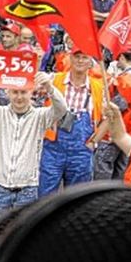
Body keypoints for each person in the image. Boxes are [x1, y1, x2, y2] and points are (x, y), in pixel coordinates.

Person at [0, 68, 68, 211]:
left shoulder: (40, 116)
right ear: (8, 93)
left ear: (31, 93)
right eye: (15, 92)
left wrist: (49, 87)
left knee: (23, 231)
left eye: (23, 92)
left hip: (28, 189)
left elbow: (61, 108)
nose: (19, 97)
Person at [40, 48, 103, 196]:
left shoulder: (99, 87)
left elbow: (108, 118)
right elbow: (32, 90)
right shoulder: (54, 80)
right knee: (45, 196)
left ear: (90, 62)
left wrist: (93, 142)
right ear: (70, 59)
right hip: (52, 148)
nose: (80, 61)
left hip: (81, 152)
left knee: (76, 199)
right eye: (77, 57)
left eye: (84, 57)